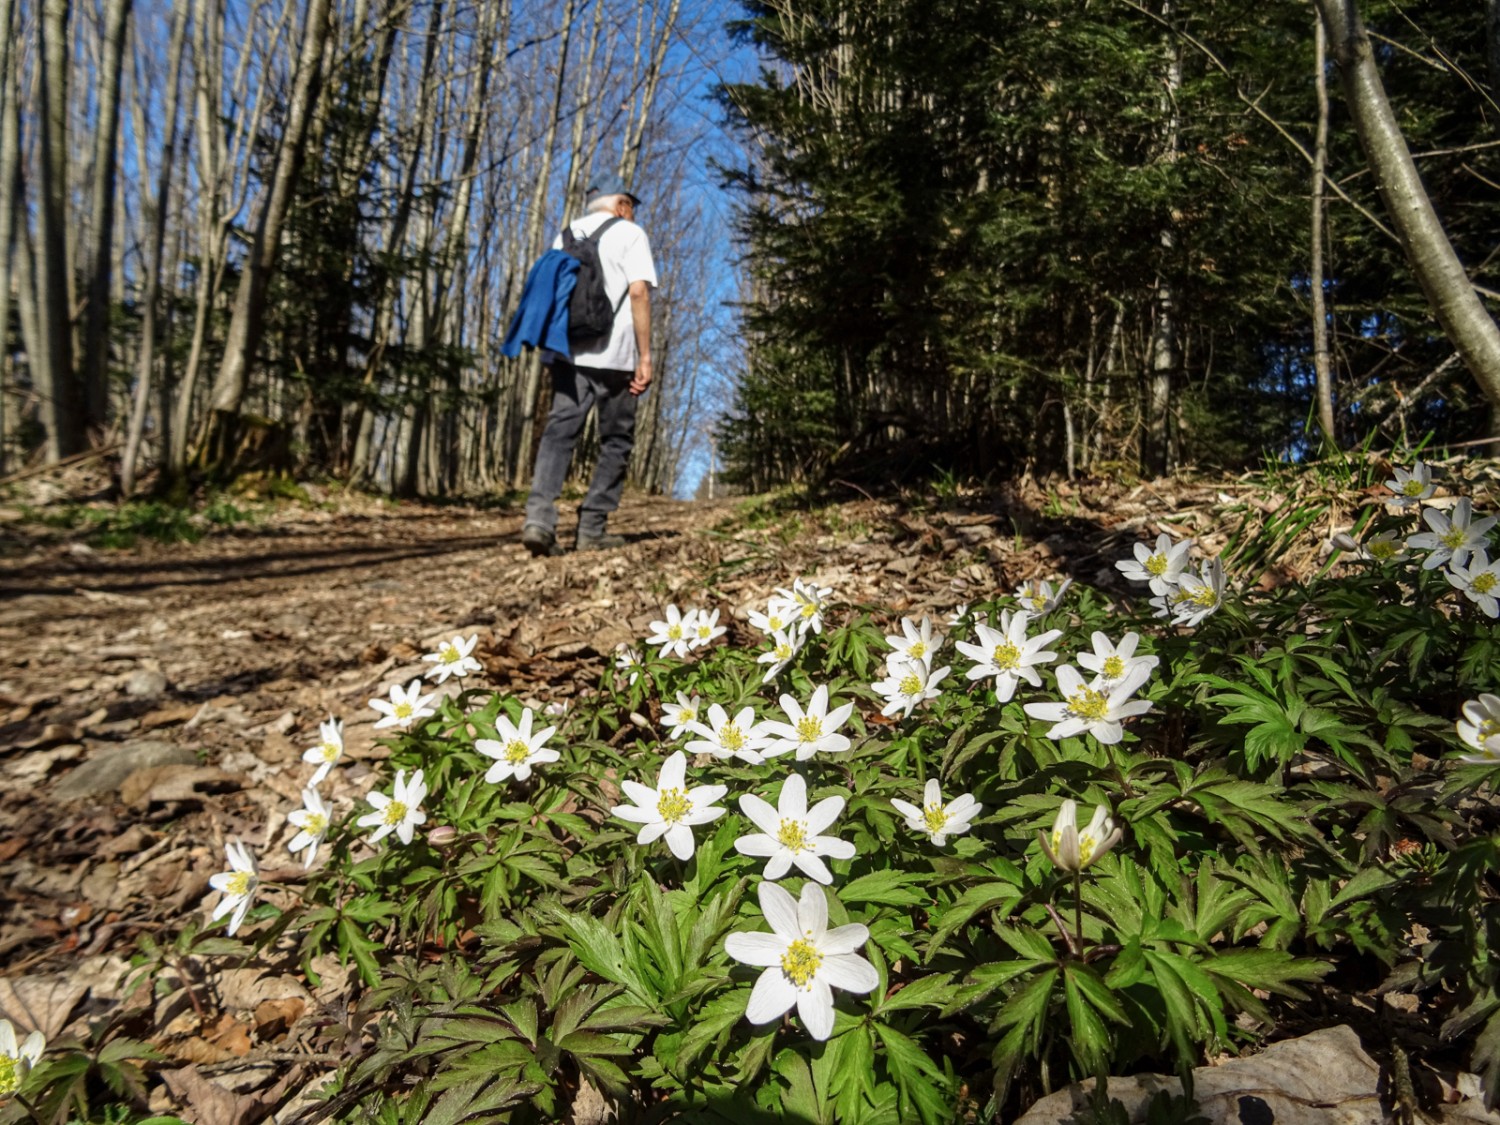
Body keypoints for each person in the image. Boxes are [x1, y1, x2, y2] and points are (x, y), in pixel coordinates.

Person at [521, 178, 657, 556]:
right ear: (622, 206)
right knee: (615, 440)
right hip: (617, 358)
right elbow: (639, 291)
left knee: (558, 434)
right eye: (631, 205)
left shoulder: (564, 236)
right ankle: (591, 528)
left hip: (567, 353)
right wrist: (644, 356)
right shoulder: (630, 233)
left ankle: (539, 521)